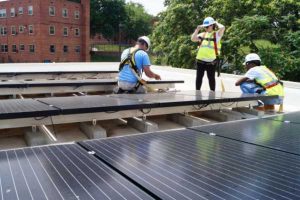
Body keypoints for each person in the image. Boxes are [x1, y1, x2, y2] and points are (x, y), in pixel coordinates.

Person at [191, 17, 225, 91]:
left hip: (211, 61)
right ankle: (197, 93)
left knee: (211, 78)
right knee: (199, 78)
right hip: (200, 60)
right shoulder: (203, 34)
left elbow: (222, 28)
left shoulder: (217, 35)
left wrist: (215, 23)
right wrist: (197, 29)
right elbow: (193, 39)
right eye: (205, 27)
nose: (205, 28)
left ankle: (212, 94)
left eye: (207, 26)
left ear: (212, 25)